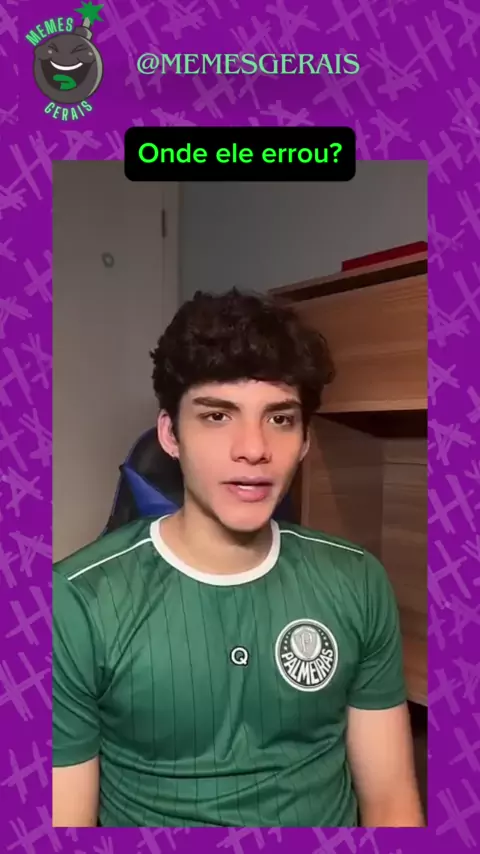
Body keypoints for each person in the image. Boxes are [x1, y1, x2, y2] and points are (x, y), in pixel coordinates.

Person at [52, 287, 425, 828]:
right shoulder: (74, 602)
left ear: (304, 440)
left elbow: (391, 801)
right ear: (170, 435)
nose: (253, 448)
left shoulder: (358, 579)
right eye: (217, 416)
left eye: (280, 419)